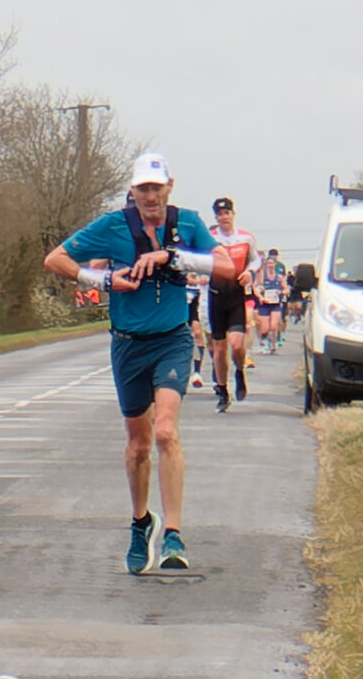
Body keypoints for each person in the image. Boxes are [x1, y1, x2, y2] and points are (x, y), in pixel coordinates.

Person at [43, 150, 230, 573]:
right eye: (143, 188)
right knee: (139, 444)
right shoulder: (113, 226)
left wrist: (172, 257)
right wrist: (104, 280)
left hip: (172, 339)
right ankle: (141, 521)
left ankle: (174, 535)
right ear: (133, 190)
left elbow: (226, 265)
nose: (151, 196)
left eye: (157, 188)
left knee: (165, 431)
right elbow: (55, 259)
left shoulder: (187, 223)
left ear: (170, 188)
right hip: (128, 344)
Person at [206, 198, 256, 410]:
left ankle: (240, 371)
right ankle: (223, 390)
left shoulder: (246, 238)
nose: (223, 217)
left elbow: (256, 259)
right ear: (216, 218)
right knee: (219, 348)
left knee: (236, 344)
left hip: (236, 295)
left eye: (227, 213)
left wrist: (250, 272)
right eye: (219, 214)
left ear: (233, 215)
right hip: (216, 296)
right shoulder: (210, 238)